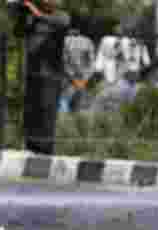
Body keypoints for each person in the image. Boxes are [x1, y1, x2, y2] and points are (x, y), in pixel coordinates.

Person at [14, 0, 70, 155]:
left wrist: (35, 12)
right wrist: (21, 14)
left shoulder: (61, 17)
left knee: (46, 111)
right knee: (32, 111)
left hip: (51, 74)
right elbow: (18, 33)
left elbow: (55, 22)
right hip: (33, 73)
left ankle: (45, 150)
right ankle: (31, 146)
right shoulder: (34, 18)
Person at [59, 28, 95, 113]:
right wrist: (86, 78)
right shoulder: (87, 41)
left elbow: (63, 60)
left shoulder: (65, 40)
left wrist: (72, 77)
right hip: (81, 77)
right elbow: (91, 61)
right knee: (78, 101)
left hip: (68, 77)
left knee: (65, 99)